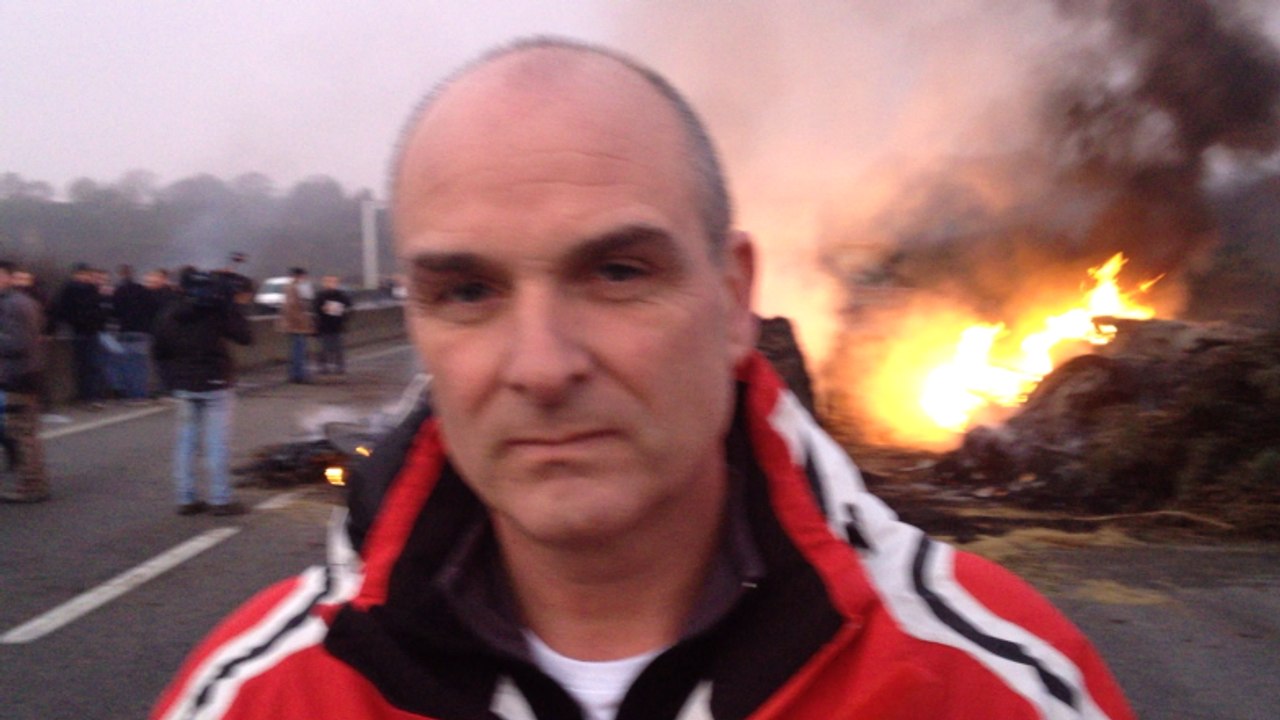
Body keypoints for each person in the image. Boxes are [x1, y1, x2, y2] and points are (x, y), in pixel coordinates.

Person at [152, 39, 1135, 720]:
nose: (541, 366)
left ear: (735, 297)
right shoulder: (258, 693)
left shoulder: (994, 684)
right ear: (414, 316)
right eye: (466, 290)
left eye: (617, 273)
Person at [152, 267, 253, 516]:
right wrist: (230, 305)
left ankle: (186, 498)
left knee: (186, 443)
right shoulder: (215, 311)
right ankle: (220, 499)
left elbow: (158, 352)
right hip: (214, 384)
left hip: (184, 386)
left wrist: (172, 382)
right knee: (217, 443)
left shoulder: (168, 314)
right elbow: (245, 336)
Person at [0, 261, 49, 503]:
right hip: (28, 373)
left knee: (21, 432)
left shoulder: (12, 306)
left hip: (19, 375)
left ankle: (32, 485)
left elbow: (18, 343)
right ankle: (33, 482)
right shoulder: (24, 302)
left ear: (7, 277)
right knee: (24, 431)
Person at [48, 262, 108, 408]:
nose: (87, 277)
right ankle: (91, 397)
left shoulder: (70, 289)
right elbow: (98, 311)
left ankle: (88, 397)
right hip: (88, 332)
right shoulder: (86, 290)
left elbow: (58, 311)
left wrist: (52, 329)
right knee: (90, 366)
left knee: (85, 367)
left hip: (81, 331)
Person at [108, 263, 161, 402]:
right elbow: (154, 309)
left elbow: (114, 312)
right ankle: (140, 394)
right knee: (140, 365)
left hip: (125, 330)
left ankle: (129, 393)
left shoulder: (118, 291)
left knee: (127, 364)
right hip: (143, 331)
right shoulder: (143, 290)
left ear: (120, 275)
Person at [277, 266, 315, 383]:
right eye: (303, 276)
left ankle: (295, 375)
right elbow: (292, 308)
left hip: (292, 324)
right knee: (299, 351)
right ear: (299, 276)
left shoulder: (289, 287)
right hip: (297, 325)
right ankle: (299, 375)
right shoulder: (294, 288)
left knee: (296, 350)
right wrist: (303, 320)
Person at [312, 274, 353, 375]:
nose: (331, 284)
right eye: (328, 282)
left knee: (338, 348)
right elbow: (315, 309)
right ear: (324, 283)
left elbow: (349, 307)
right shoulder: (320, 296)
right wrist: (322, 310)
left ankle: (339, 367)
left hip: (337, 326)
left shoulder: (341, 295)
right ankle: (323, 367)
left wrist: (343, 316)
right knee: (323, 348)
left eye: (333, 282)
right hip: (324, 326)